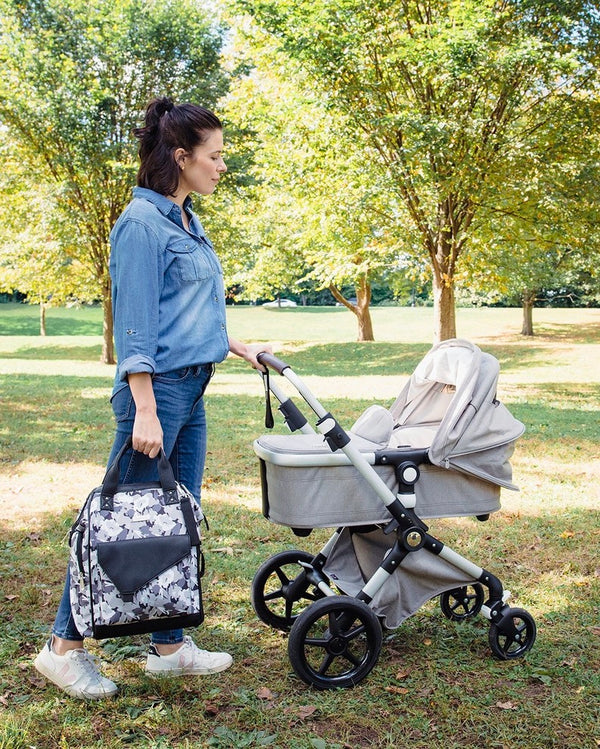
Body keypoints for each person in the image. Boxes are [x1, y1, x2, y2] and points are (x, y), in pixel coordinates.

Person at [34, 97, 269, 699]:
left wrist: (237, 345)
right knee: (118, 523)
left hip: (191, 387)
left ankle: (167, 646)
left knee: (170, 519)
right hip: (157, 393)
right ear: (180, 156)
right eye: (214, 157)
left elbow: (184, 310)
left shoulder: (184, 219)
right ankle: (63, 648)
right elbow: (137, 324)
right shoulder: (140, 225)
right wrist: (143, 409)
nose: (222, 167)